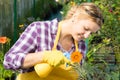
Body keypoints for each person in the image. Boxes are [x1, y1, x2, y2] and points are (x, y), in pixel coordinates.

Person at [3, 2, 104, 80]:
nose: (87, 36)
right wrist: (44, 56)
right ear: (75, 18)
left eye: (91, 33)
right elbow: (9, 60)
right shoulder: (40, 29)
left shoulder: (81, 46)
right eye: (86, 29)